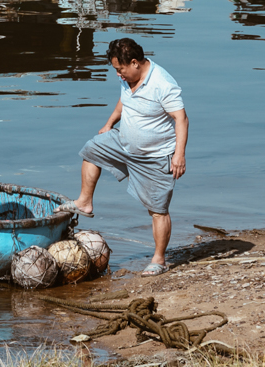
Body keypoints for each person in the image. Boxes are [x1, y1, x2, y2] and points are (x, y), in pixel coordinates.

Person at [69, 37, 187, 275]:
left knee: (158, 210)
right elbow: (124, 102)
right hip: (124, 143)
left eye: (120, 69)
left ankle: (158, 260)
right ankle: (85, 201)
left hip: (155, 156)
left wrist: (179, 156)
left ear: (134, 63)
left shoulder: (162, 84)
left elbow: (181, 119)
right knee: (92, 149)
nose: (118, 74)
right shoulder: (128, 79)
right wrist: (109, 123)